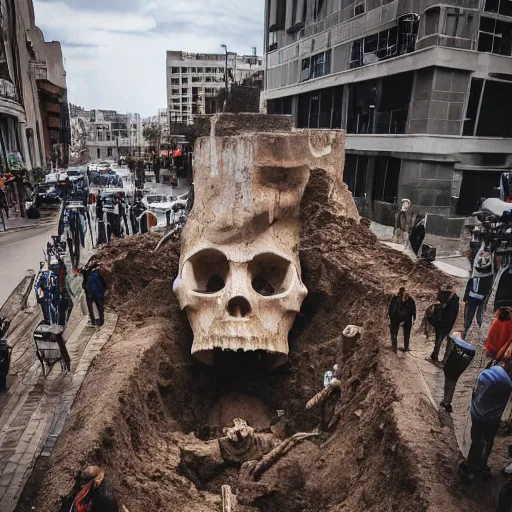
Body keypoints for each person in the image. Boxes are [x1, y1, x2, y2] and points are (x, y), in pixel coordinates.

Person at [461, 362, 512, 476]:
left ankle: (471, 467)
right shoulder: (507, 384)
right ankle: (482, 464)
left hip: (477, 412)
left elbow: (477, 392)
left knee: (476, 440)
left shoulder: (489, 372)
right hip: (492, 417)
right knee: (488, 440)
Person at [431, 286, 459, 362]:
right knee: (439, 338)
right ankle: (435, 354)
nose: (451, 291)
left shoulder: (453, 301)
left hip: (445, 324)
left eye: (452, 289)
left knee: (439, 339)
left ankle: (435, 355)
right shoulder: (451, 299)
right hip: (444, 323)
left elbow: (447, 311)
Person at [388, 287, 416, 352]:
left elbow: (391, 308)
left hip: (399, 318)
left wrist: (390, 317)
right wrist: (414, 318)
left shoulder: (395, 298)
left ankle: (395, 347)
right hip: (404, 318)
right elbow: (413, 310)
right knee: (404, 332)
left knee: (394, 332)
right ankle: (404, 347)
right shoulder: (409, 299)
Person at [81, 259, 107, 327]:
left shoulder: (87, 272)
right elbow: (103, 282)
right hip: (96, 293)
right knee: (99, 308)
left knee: (91, 308)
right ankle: (100, 321)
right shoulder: (97, 273)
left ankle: (93, 321)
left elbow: (77, 272)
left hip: (90, 293)